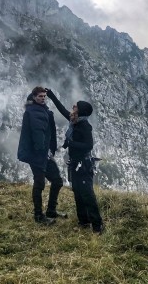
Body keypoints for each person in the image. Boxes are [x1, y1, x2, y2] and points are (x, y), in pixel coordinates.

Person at [46, 88, 105, 234]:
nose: (73, 106)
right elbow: (61, 109)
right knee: (78, 192)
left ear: (81, 111)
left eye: (76, 106)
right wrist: (52, 95)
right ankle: (83, 221)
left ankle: (97, 225)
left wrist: (71, 143)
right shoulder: (74, 120)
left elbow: (88, 145)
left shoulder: (85, 126)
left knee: (87, 194)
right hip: (75, 163)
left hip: (83, 164)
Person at [17, 86, 65, 225]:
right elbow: (38, 133)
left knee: (57, 181)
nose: (43, 98)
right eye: (40, 96)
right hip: (37, 155)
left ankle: (51, 210)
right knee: (39, 183)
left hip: (44, 154)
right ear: (34, 97)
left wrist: (48, 151)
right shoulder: (34, 112)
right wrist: (42, 152)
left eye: (44, 96)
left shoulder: (40, 110)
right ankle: (38, 215)